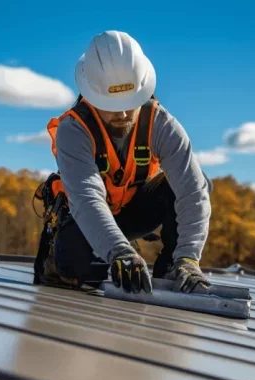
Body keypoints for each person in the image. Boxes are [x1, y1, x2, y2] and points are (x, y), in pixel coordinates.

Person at [33, 30, 212, 295]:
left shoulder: (161, 124)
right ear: (91, 94)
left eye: (131, 102)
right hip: (86, 218)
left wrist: (189, 257)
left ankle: (174, 268)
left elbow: (191, 191)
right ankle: (99, 256)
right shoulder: (74, 129)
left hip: (134, 211)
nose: (124, 113)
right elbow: (87, 199)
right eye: (112, 104)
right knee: (78, 269)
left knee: (200, 182)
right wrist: (119, 250)